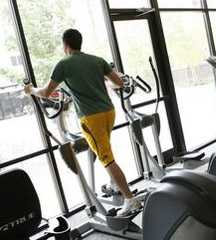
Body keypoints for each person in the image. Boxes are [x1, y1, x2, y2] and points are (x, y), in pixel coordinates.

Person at [24, 29, 141, 216]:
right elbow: (119, 83)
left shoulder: (63, 64)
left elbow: (46, 93)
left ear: (65, 45)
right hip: (109, 112)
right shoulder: (97, 60)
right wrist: (102, 81)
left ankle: (130, 199)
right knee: (105, 150)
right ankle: (115, 184)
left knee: (106, 158)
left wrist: (31, 90)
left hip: (91, 117)